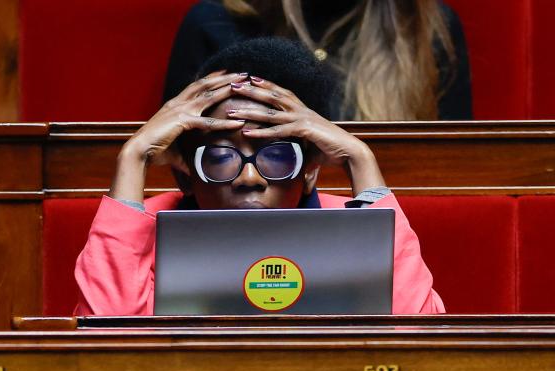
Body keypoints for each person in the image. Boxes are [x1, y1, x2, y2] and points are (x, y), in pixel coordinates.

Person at [75, 38, 445, 316]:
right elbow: (107, 342)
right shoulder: (145, 230)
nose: (249, 177)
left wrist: (361, 160)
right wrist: (133, 155)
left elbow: (414, 335)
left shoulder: (354, 226)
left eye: (278, 155)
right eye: (221, 157)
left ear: (310, 171)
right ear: (186, 177)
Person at [163, 0, 472, 121]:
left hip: (377, 229)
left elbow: (453, 172)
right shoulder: (217, 22)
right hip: (246, 231)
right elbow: (175, 164)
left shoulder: (426, 29)